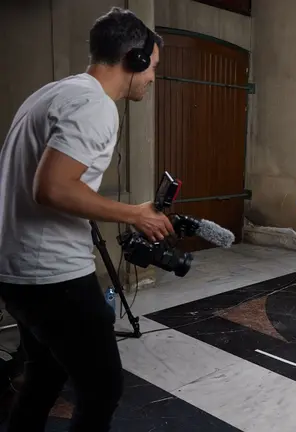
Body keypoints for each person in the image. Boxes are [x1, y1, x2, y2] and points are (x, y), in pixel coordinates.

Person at [0, 7, 173, 432]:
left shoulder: (54, 92)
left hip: (19, 271)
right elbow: (53, 187)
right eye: (151, 67)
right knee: (102, 388)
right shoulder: (95, 105)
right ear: (133, 59)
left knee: (44, 376)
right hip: (51, 275)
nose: (152, 77)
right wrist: (135, 214)